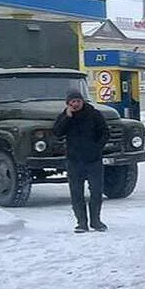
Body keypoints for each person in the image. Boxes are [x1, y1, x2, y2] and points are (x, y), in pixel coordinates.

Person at [53, 88, 109, 233]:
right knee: (76, 193)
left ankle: (96, 222)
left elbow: (105, 132)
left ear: (83, 101)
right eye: (73, 101)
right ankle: (81, 223)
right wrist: (67, 117)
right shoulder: (65, 116)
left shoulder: (94, 114)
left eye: (78, 101)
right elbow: (57, 133)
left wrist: (97, 148)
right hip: (74, 161)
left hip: (93, 160)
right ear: (68, 103)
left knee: (96, 192)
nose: (76, 104)